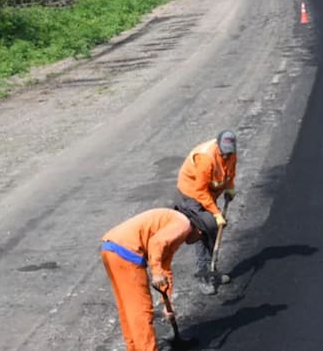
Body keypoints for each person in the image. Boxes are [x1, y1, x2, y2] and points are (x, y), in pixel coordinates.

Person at [101, 207, 215, 350]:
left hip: (110, 249)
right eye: (202, 239)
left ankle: (134, 348)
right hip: (125, 252)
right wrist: (156, 272)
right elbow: (156, 243)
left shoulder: (175, 223)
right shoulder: (183, 225)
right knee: (141, 310)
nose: (198, 241)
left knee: (128, 309)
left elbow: (165, 267)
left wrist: (167, 303)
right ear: (200, 231)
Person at [176, 130, 237, 295]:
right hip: (192, 194)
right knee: (203, 230)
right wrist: (216, 213)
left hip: (208, 194)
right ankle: (204, 275)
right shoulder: (206, 159)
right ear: (218, 146)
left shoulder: (231, 153)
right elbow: (200, 191)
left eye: (229, 153)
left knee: (213, 229)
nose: (226, 156)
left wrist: (230, 187)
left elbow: (229, 172)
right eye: (224, 153)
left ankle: (212, 269)